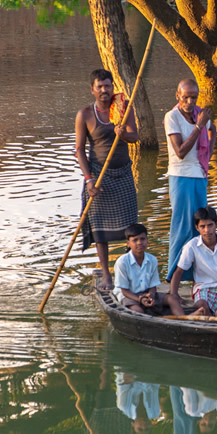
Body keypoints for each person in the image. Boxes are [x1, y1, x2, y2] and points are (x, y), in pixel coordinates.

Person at [75, 68, 139, 290]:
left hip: (123, 174)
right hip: (99, 176)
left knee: (131, 228)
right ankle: (106, 276)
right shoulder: (85, 114)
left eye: (108, 86)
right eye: (100, 86)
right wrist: (89, 180)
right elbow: (79, 150)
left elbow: (135, 136)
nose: (104, 90)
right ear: (92, 89)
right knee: (99, 229)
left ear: (113, 87)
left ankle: (130, 272)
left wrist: (123, 134)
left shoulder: (123, 106)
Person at [164, 78, 216, 282]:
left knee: (200, 226)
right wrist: (199, 126)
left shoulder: (200, 114)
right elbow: (180, 152)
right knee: (182, 226)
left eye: (193, 97)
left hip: (199, 175)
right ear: (178, 96)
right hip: (181, 175)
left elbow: (213, 130)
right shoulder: (172, 117)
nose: (189, 101)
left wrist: (208, 155)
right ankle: (173, 276)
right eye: (185, 97)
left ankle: (195, 274)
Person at [169, 206, 217, 317]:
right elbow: (178, 272)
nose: (207, 230)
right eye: (202, 226)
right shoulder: (191, 246)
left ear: (216, 224)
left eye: (210, 225)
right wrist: (174, 295)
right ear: (197, 227)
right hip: (205, 287)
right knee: (202, 306)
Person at [112, 223, 184, 316]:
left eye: (142, 239)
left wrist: (151, 296)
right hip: (128, 296)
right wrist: (140, 299)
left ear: (147, 240)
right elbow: (124, 291)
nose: (139, 243)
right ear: (128, 244)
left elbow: (152, 286)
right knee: (138, 311)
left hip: (146, 294)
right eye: (135, 240)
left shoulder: (152, 260)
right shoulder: (122, 262)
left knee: (172, 299)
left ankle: (184, 319)